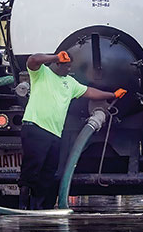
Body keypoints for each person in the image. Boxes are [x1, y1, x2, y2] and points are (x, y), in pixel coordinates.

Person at [19, 51, 123, 210]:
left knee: (48, 174)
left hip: (54, 134)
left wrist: (112, 94)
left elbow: (89, 92)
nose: (69, 69)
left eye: (70, 66)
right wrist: (54, 56)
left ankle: (40, 208)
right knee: (31, 171)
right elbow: (32, 60)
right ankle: (23, 207)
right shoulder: (41, 73)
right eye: (66, 66)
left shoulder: (71, 83)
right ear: (57, 63)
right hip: (35, 128)